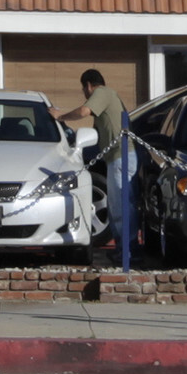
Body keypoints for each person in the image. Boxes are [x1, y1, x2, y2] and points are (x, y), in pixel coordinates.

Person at [61, 68, 126, 254]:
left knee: (119, 205)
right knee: (117, 204)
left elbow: (83, 111)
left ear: (88, 85)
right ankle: (124, 250)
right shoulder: (109, 97)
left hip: (120, 157)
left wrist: (60, 116)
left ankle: (127, 253)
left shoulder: (102, 93)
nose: (85, 94)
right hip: (117, 157)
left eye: (84, 89)